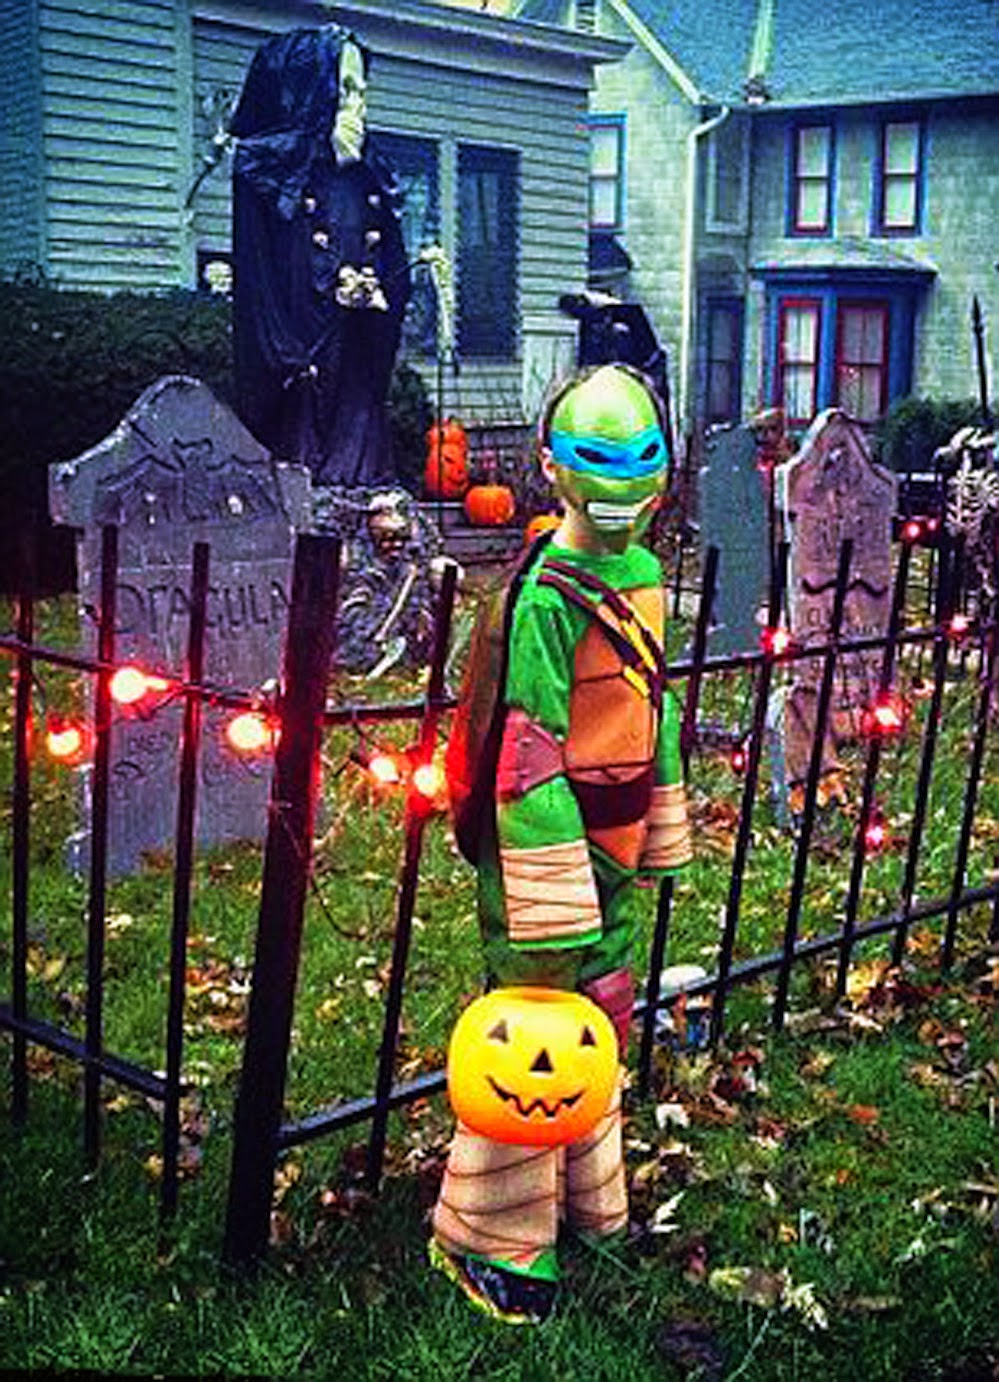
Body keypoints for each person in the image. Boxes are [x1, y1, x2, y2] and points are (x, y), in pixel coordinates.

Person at [431, 363, 693, 1323]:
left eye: (640, 457)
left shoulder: (643, 576)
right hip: (549, 847)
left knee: (603, 1005)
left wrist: (657, 817)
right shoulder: (545, 597)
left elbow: (648, 703)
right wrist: (550, 886)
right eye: (597, 458)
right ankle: (490, 1234)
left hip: (613, 837)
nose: (620, 482)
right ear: (551, 465)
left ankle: (589, 1196)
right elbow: (528, 743)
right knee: (533, 1028)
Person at [230, 24, 410, 487]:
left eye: (362, 94)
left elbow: (391, 262)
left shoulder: (370, 174)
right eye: (345, 91)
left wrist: (376, 292)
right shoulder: (266, 173)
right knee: (301, 484)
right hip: (302, 377)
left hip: (355, 375)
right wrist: (296, 344)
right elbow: (261, 288)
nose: (358, 108)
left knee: (363, 481)